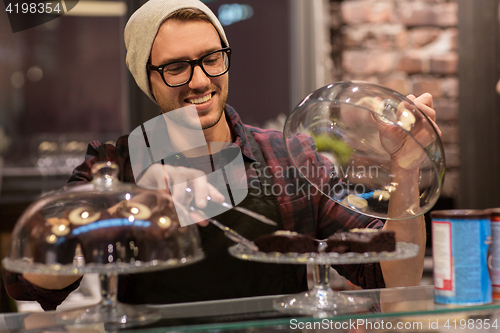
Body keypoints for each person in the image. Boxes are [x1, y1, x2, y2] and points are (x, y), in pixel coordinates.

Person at [4, 0, 439, 310]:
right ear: (147, 79)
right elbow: (30, 284)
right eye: (176, 67)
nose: (199, 80)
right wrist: (120, 214)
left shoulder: (290, 157)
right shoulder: (114, 166)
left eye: (211, 58)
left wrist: (406, 167)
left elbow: (391, 277)